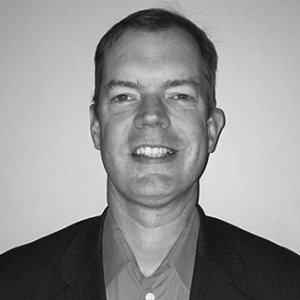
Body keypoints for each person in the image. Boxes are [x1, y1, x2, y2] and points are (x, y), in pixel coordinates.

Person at [0, 8, 299, 300]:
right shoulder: (10, 283)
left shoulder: (289, 285)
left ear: (210, 130)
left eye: (179, 95)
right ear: (96, 127)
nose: (152, 115)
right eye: (125, 96)